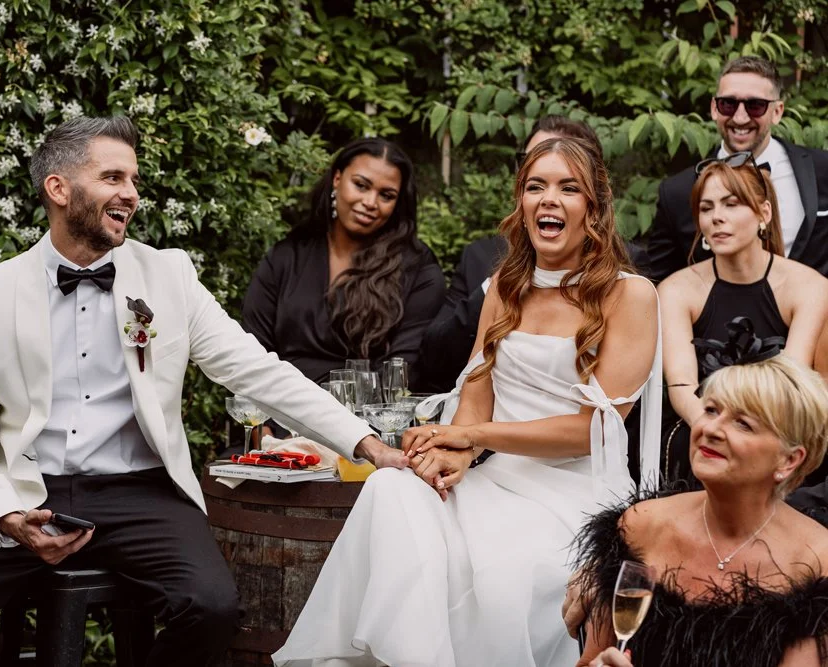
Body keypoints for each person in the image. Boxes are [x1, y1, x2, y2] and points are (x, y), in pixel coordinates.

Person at [0, 116, 406, 667]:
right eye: (112, 178)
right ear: (58, 189)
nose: (130, 194)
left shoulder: (169, 276)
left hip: (141, 492)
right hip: (24, 489)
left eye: (132, 180)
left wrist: (366, 444)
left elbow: (259, 372)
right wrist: (6, 516)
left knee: (212, 608)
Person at [273, 136, 662, 667]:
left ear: (594, 206)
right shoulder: (505, 285)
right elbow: (476, 394)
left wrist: (473, 439)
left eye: (568, 188)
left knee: (507, 575)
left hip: (575, 491)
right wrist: (454, 454)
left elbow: (591, 429)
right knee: (392, 486)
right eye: (535, 186)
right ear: (521, 202)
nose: (549, 199)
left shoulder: (630, 295)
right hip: (494, 478)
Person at [571, 349, 828, 667]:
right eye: (710, 410)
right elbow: (591, 659)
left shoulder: (815, 563)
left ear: (789, 460)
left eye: (743, 424)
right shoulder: (641, 526)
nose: (711, 429)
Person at [418, 115, 649, 393]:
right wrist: (501, 282)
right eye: (536, 180)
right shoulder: (479, 259)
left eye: (568, 184)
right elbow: (432, 360)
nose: (549, 197)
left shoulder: (628, 278)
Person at [658, 157, 828, 484]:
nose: (716, 217)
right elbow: (681, 384)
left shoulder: (809, 287)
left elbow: (791, 377)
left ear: (764, 214)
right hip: (701, 421)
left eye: (731, 204)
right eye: (706, 209)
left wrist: (751, 438)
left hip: (780, 419)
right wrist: (714, 430)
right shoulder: (676, 290)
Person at [242, 138, 445, 389]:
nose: (371, 202)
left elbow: (402, 374)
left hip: (365, 420)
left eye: (386, 195)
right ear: (337, 179)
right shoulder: (287, 256)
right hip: (280, 414)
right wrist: (267, 424)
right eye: (361, 185)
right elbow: (252, 353)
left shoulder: (418, 270)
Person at [646, 55, 828, 283]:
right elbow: (657, 283)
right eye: (728, 104)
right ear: (714, 108)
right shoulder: (677, 192)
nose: (740, 117)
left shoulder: (823, 170)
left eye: (755, 106)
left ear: (777, 111)